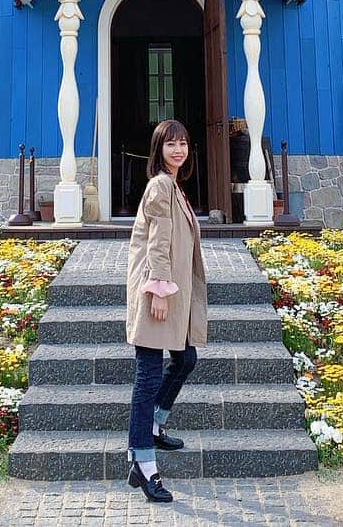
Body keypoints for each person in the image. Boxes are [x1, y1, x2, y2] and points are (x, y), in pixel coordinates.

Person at [124, 119, 208, 504]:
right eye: (170, 144)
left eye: (183, 143)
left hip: (171, 295)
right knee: (147, 376)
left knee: (185, 358)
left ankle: (155, 426)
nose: (178, 150)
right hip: (158, 293)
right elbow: (158, 242)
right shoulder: (160, 185)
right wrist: (158, 290)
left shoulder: (175, 187)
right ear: (158, 150)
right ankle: (143, 465)